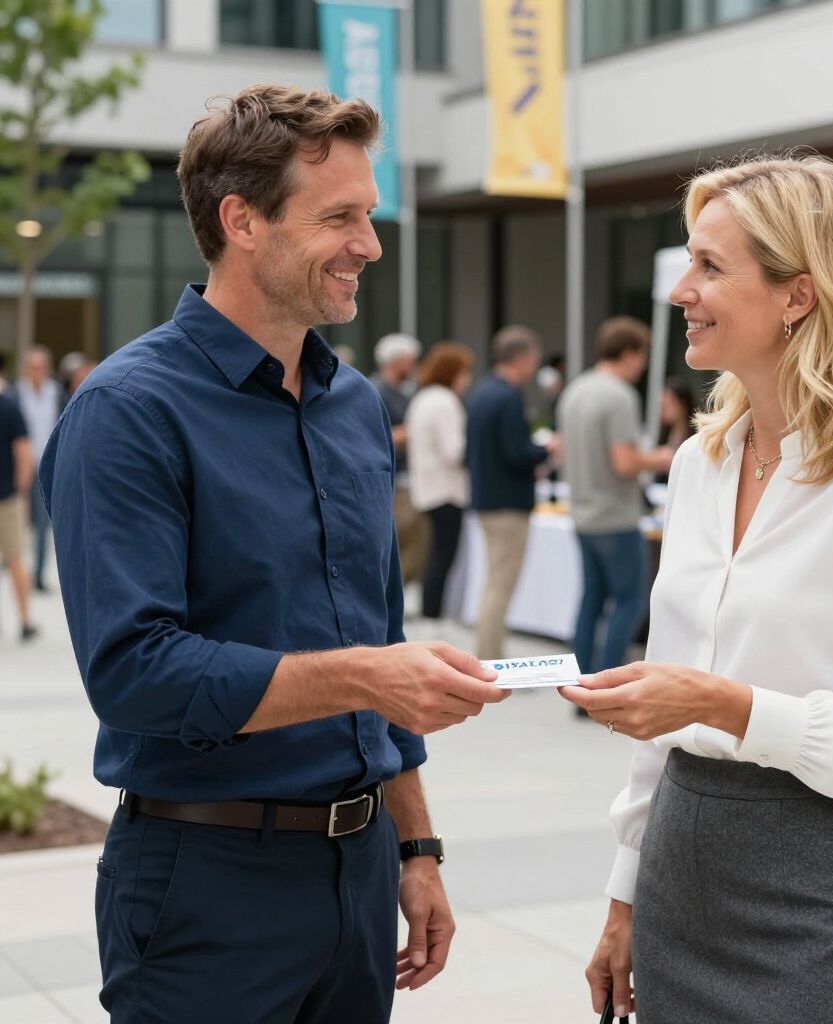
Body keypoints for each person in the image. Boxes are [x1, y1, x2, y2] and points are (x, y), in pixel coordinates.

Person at [40, 84, 508, 1024]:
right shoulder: (128, 411)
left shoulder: (356, 406)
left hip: (361, 868)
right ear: (241, 221)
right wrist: (368, 677)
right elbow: (135, 674)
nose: (369, 245)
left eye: (368, 216)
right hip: (206, 887)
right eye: (340, 217)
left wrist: (416, 850)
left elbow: (380, 636)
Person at [561, 154, 833, 1023]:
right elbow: (663, 726)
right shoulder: (699, 463)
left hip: (824, 897)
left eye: (711, 266)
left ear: (799, 294)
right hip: (678, 877)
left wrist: (725, 701)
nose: (681, 291)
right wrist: (625, 893)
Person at [559, 317, 674, 684]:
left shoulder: (576, 390)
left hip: (583, 513)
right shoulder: (618, 396)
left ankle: (580, 681)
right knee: (629, 600)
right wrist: (662, 457)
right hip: (615, 515)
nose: (643, 365)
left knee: (591, 600)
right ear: (629, 353)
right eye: (642, 356)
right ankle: (608, 681)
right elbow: (625, 462)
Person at [465, 325, 558, 660]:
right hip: (508, 504)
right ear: (522, 358)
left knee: (494, 582)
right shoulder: (507, 396)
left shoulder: (481, 392)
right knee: (500, 585)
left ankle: (491, 653)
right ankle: (492, 658)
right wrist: (546, 450)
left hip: (487, 499)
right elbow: (516, 452)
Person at [406, 342, 474, 620]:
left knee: (435, 555)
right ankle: (433, 615)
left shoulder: (423, 398)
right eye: (464, 372)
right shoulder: (445, 401)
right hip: (446, 490)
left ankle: (430, 612)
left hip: (426, 488)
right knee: (443, 557)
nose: (467, 378)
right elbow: (454, 451)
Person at [372, 332, 428, 586]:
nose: (414, 365)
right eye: (410, 359)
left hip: (407, 477)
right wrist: (409, 432)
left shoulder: (403, 393)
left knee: (416, 541)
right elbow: (371, 433)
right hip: (390, 479)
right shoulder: (375, 391)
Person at [15, 345, 61, 591]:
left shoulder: (56, 393)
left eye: (41, 366)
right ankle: (13, 567)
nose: (37, 371)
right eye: (33, 366)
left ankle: (38, 576)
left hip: (46, 467)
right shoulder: (14, 394)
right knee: (16, 523)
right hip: (18, 468)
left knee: (43, 526)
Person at [0, 391, 38, 641]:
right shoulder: (10, 407)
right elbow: (24, 453)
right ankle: (25, 620)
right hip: (7, 497)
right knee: (15, 559)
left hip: (8, 496)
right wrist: (22, 491)